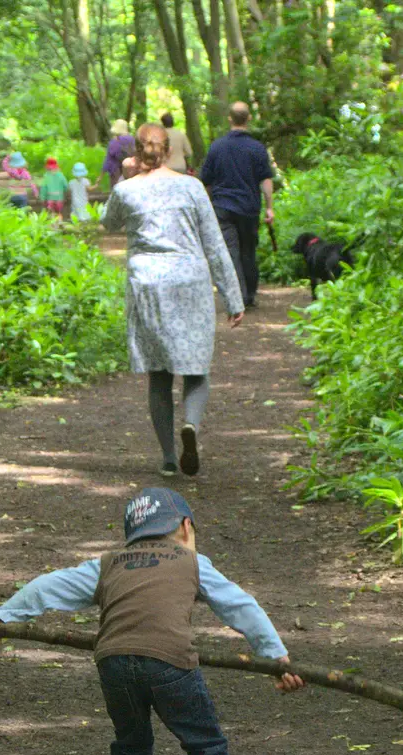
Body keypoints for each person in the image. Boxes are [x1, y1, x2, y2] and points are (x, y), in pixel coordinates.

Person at [0, 487, 305, 755]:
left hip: (113, 662)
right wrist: (276, 657)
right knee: (207, 746)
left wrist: (2, 619)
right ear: (185, 527)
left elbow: (48, 586)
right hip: (169, 661)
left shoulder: (109, 563)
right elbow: (240, 606)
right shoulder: (192, 561)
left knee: (131, 745)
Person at [102, 123, 245, 478]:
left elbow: (108, 224)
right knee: (197, 366)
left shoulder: (127, 191)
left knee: (159, 373)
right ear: (168, 150)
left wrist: (124, 176)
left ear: (137, 151)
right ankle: (191, 426)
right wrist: (233, 297)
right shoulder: (192, 187)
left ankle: (168, 457)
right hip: (190, 281)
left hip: (148, 284)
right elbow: (213, 242)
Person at [199, 102, 275, 309]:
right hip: (249, 208)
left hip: (223, 207)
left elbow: (205, 180)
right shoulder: (257, 148)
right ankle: (249, 294)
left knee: (230, 252)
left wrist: (209, 205)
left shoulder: (217, 147)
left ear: (230, 119)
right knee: (248, 250)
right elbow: (266, 180)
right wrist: (269, 207)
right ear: (249, 118)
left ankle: (238, 296)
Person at [100, 119, 137, 192]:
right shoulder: (132, 140)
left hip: (116, 172)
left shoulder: (114, 142)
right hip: (130, 170)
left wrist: (101, 176)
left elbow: (108, 160)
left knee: (116, 191)